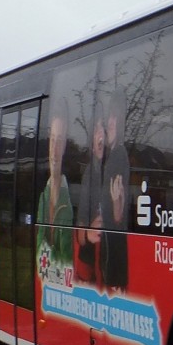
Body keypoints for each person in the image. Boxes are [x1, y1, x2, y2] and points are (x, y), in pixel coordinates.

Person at [36, 98, 74, 271]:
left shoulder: (70, 200)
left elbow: (68, 260)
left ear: (65, 146)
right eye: (52, 140)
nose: (54, 150)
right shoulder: (43, 197)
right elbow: (37, 251)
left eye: (59, 141)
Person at [99, 88, 129, 292]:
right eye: (108, 117)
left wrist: (117, 209)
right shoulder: (115, 156)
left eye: (113, 117)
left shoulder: (118, 157)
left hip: (114, 253)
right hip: (112, 252)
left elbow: (118, 216)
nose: (109, 123)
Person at [74, 99, 105, 286]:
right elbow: (79, 230)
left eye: (103, 128)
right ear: (92, 143)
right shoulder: (89, 174)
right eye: (96, 130)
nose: (100, 135)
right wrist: (88, 234)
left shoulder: (111, 169)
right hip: (89, 269)